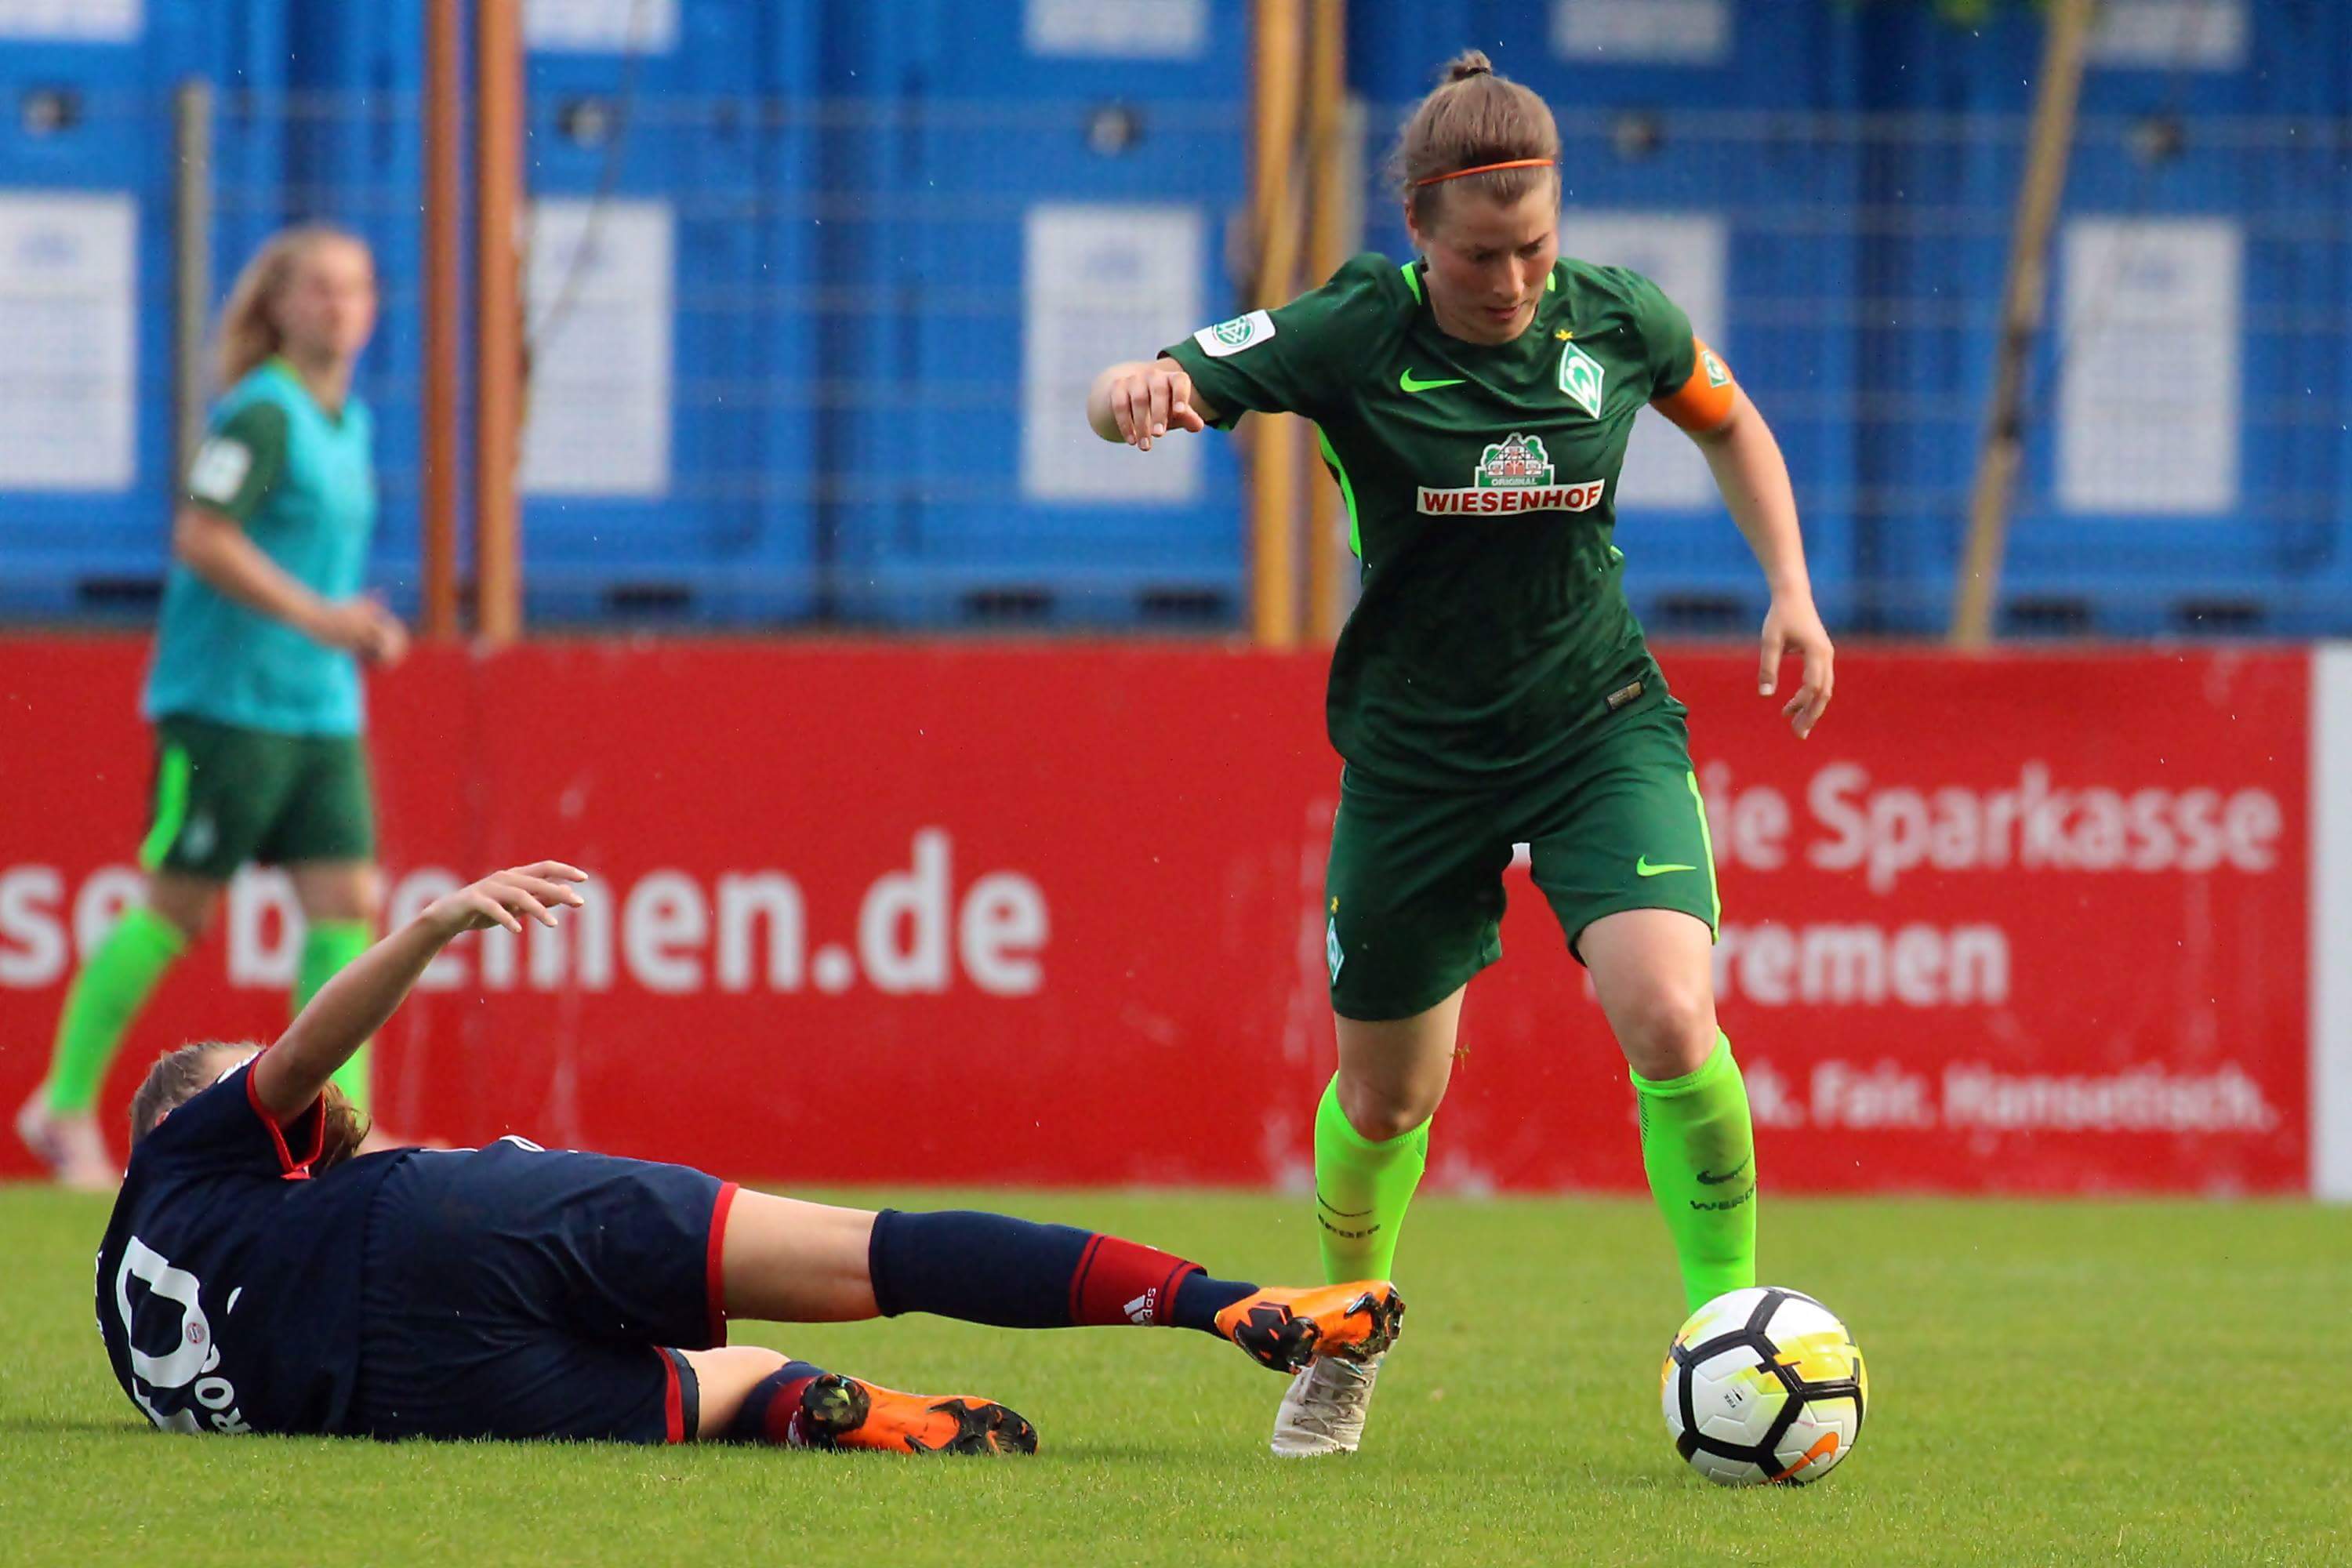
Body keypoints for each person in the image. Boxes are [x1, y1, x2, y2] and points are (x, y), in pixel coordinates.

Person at [1083, 51, 1834, 1457]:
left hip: (1599, 726)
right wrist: (1135, 387)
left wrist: (1790, 588)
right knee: (1389, 1097)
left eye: (1535, 245)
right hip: (1417, 760)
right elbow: (1169, 377)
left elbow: (1732, 424)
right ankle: (1346, 1337)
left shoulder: (1618, 318)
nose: (1514, 280)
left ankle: (1728, 1334)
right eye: (1483, 254)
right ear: (1419, 230)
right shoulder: (1356, 329)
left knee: (1672, 1017)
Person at [98, 862, 1405, 1452]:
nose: (293, 1105)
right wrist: (430, 928)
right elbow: (301, 1057)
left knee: (723, 1384)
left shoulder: (127, 1320)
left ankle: (851, 1413)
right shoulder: (183, 1151)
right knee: (870, 1253)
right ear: (179, 1122)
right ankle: (1223, 1304)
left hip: (415, 1402)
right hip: (446, 1221)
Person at [18, 224, 410, 1188]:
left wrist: (356, 628)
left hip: (321, 708)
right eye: (319, 288)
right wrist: (322, 618)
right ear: (277, 305)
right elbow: (202, 535)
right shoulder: (261, 415)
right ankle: (61, 1102)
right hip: (228, 704)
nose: (339, 306)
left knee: (347, 905)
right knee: (180, 906)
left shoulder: (348, 420)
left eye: (355, 288)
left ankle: (339, 1135)